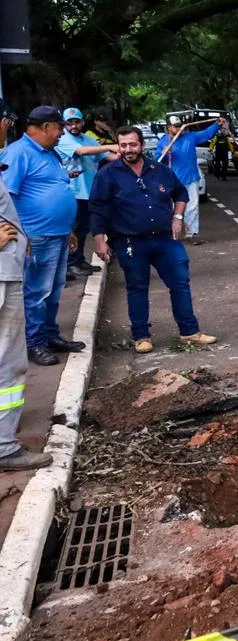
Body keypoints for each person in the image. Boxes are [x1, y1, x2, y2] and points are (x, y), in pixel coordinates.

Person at [89, 126, 217, 354]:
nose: (128, 149)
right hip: (130, 242)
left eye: (133, 144)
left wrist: (178, 217)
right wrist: (99, 239)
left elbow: (180, 193)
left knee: (180, 283)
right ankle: (141, 336)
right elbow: (98, 208)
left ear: (142, 145)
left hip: (166, 240)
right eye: (123, 145)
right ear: (119, 146)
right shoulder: (107, 174)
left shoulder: (159, 170)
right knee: (137, 287)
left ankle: (189, 331)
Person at [0, 106, 83, 367]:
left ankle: (49, 335)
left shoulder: (50, 153)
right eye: (59, 127)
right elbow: (7, 198)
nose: (62, 133)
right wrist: (19, 235)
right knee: (36, 292)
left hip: (57, 234)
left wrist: (68, 228)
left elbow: (58, 188)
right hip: (36, 236)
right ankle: (34, 342)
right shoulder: (18, 154)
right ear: (46, 127)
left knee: (54, 290)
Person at [0, 102, 47, 470]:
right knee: (7, 362)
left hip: (8, 271)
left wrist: (22, 235)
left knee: (9, 363)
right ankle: (2, 446)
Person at [56, 107, 116, 281]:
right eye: (69, 122)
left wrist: (128, 155)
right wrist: (112, 145)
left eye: (76, 122)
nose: (73, 126)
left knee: (83, 229)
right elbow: (82, 151)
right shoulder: (63, 139)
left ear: (82, 122)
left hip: (88, 192)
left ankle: (79, 260)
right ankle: (70, 264)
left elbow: (106, 156)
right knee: (74, 229)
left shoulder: (87, 139)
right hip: (72, 192)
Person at [154, 115, 227, 245]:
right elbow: (156, 161)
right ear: (168, 127)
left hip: (191, 178)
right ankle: (172, 234)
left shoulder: (190, 137)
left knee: (192, 207)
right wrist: (164, 153)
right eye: (176, 126)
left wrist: (217, 124)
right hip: (172, 181)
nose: (179, 128)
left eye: (180, 125)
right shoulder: (164, 142)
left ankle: (191, 234)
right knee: (171, 208)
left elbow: (206, 134)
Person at [211, 116, 232, 181]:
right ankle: (217, 175)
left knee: (225, 165)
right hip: (218, 153)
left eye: (224, 130)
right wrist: (211, 149)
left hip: (225, 153)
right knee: (217, 164)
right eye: (222, 129)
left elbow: (230, 145)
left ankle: (224, 176)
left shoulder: (227, 138)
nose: (223, 131)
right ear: (220, 130)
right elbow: (212, 143)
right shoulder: (216, 137)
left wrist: (232, 151)